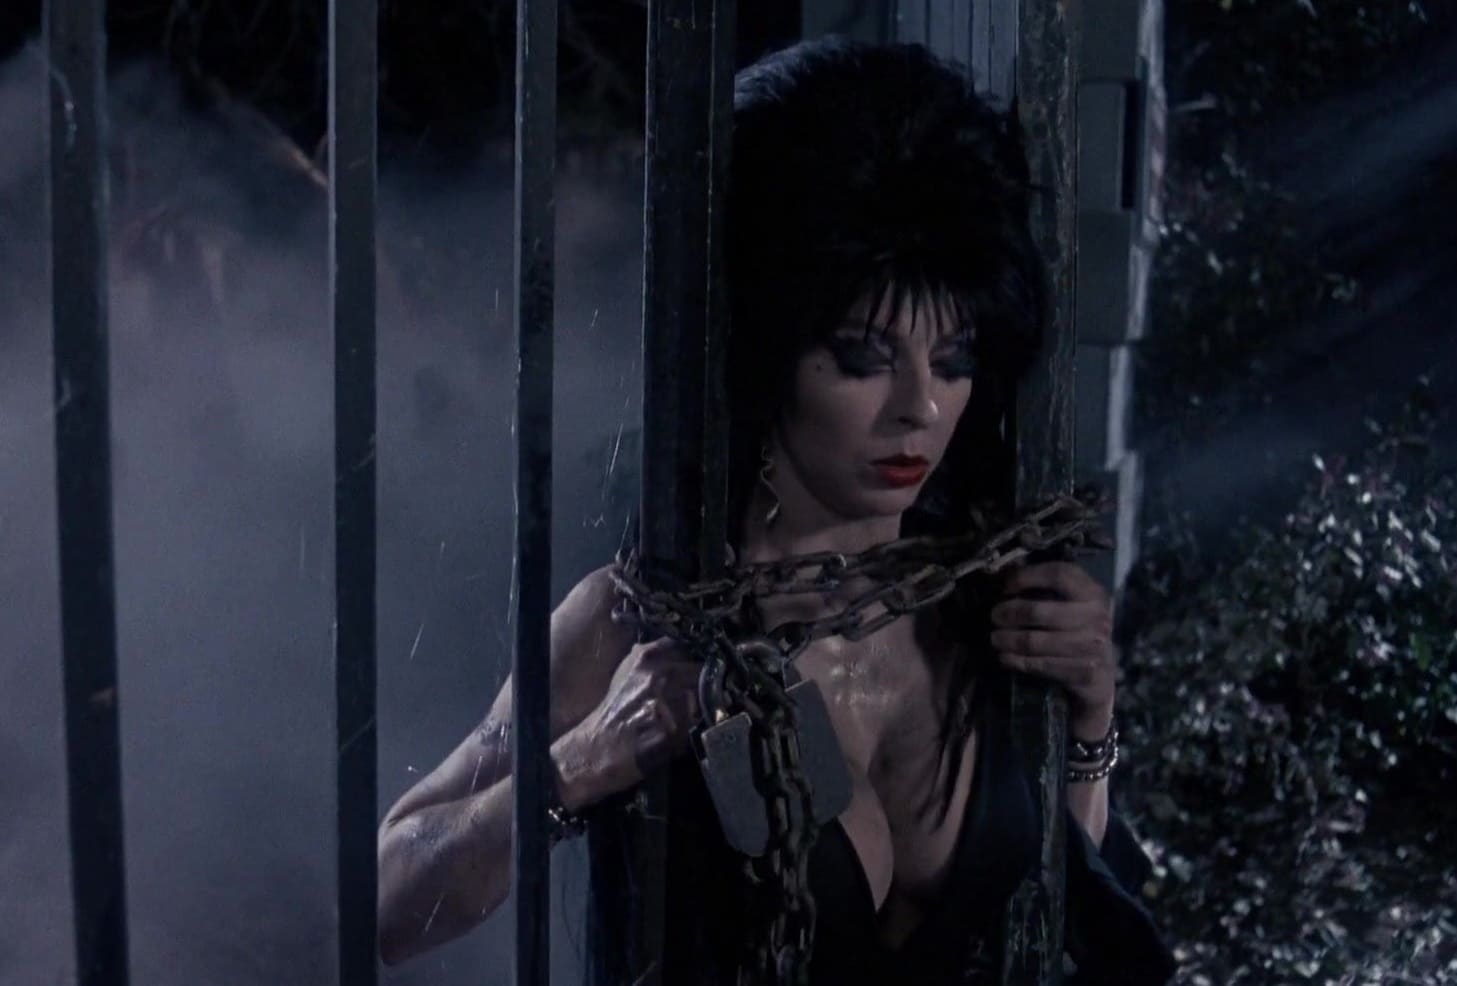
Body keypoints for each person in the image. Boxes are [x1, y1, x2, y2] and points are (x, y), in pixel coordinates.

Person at [377, 38, 1176, 985]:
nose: (918, 407)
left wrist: (1086, 729)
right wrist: (586, 761)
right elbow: (388, 901)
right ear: (768, 353)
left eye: (952, 360)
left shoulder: (985, 608)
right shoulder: (636, 623)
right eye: (861, 358)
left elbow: (1057, 918)